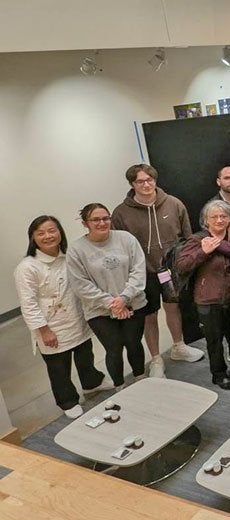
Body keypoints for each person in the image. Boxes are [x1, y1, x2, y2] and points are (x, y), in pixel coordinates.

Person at [15, 215, 113, 419]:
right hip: (51, 324)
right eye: (41, 233)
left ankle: (92, 383)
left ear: (60, 232)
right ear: (33, 238)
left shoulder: (70, 256)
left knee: (85, 354)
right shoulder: (27, 267)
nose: (48, 236)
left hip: (77, 317)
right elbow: (28, 304)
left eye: (52, 230)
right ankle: (67, 400)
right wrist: (44, 330)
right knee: (59, 366)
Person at [111, 164, 201, 378]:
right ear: (132, 184)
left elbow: (187, 238)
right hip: (142, 274)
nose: (146, 184)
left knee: (173, 308)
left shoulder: (174, 204)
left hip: (170, 271)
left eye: (149, 179)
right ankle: (156, 359)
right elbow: (118, 247)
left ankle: (178, 346)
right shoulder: (121, 213)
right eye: (140, 181)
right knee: (149, 315)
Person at [66, 203, 147, 388]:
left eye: (105, 218)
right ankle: (120, 386)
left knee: (134, 343)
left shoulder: (126, 239)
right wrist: (112, 303)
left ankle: (141, 380)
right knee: (114, 349)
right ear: (85, 223)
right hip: (99, 311)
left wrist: (124, 298)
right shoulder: (77, 249)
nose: (102, 223)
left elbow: (138, 270)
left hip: (132, 303)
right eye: (96, 220)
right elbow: (80, 284)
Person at [176, 200, 230, 390]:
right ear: (206, 220)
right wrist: (203, 252)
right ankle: (219, 374)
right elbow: (182, 266)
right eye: (214, 216)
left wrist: (218, 245)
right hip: (208, 298)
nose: (219, 220)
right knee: (214, 340)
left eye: (224, 216)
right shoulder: (198, 239)